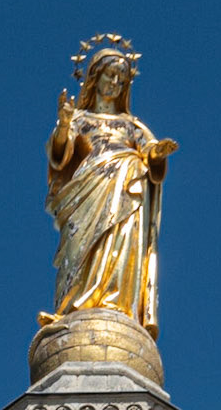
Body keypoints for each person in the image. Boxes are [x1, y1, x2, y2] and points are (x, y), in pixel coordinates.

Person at [41, 47, 177, 338]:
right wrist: (65, 124)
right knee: (77, 249)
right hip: (87, 191)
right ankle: (71, 306)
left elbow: (149, 149)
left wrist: (157, 154)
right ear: (95, 78)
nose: (115, 82)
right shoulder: (80, 120)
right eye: (110, 75)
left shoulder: (132, 126)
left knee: (121, 239)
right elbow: (60, 154)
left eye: (121, 78)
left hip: (126, 190)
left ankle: (117, 303)